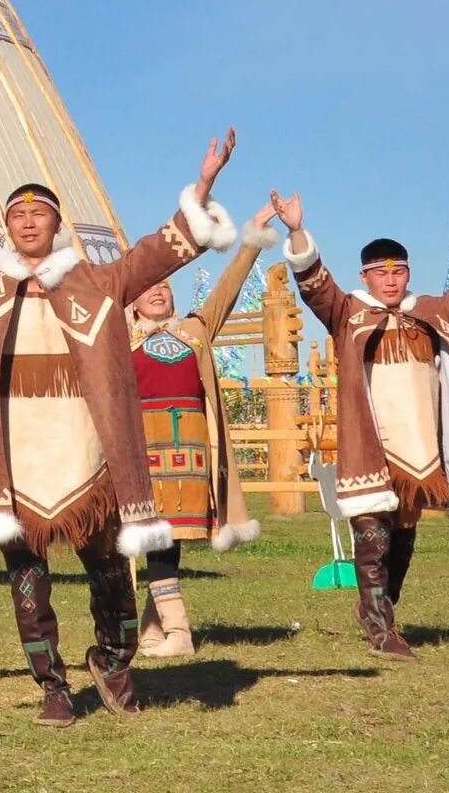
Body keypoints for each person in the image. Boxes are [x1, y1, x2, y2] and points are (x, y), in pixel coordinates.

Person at [0, 129, 239, 726]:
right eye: (18, 214)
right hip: (12, 450)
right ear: (6, 226)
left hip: (85, 448)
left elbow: (163, 250)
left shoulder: (98, 282)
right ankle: (53, 684)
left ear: (57, 224)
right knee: (27, 576)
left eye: (40, 214)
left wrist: (204, 184)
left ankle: (112, 659)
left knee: (109, 569)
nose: (28, 223)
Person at [273, 191, 449, 659]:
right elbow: (314, 284)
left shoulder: (432, 311)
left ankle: (382, 608)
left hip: (420, 445)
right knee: (371, 533)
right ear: (364, 277)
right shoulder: (347, 312)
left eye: (398, 272)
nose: (390, 281)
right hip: (371, 442)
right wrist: (296, 231)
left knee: (404, 534)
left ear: (408, 273)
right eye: (380, 273)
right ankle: (380, 629)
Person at [127, 204, 278, 658]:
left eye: (164, 284)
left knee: (167, 540)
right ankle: (156, 632)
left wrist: (253, 236)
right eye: (147, 286)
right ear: (131, 298)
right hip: (144, 448)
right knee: (158, 539)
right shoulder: (118, 335)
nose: (157, 290)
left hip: (192, 449)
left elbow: (229, 288)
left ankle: (179, 634)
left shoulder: (196, 329)